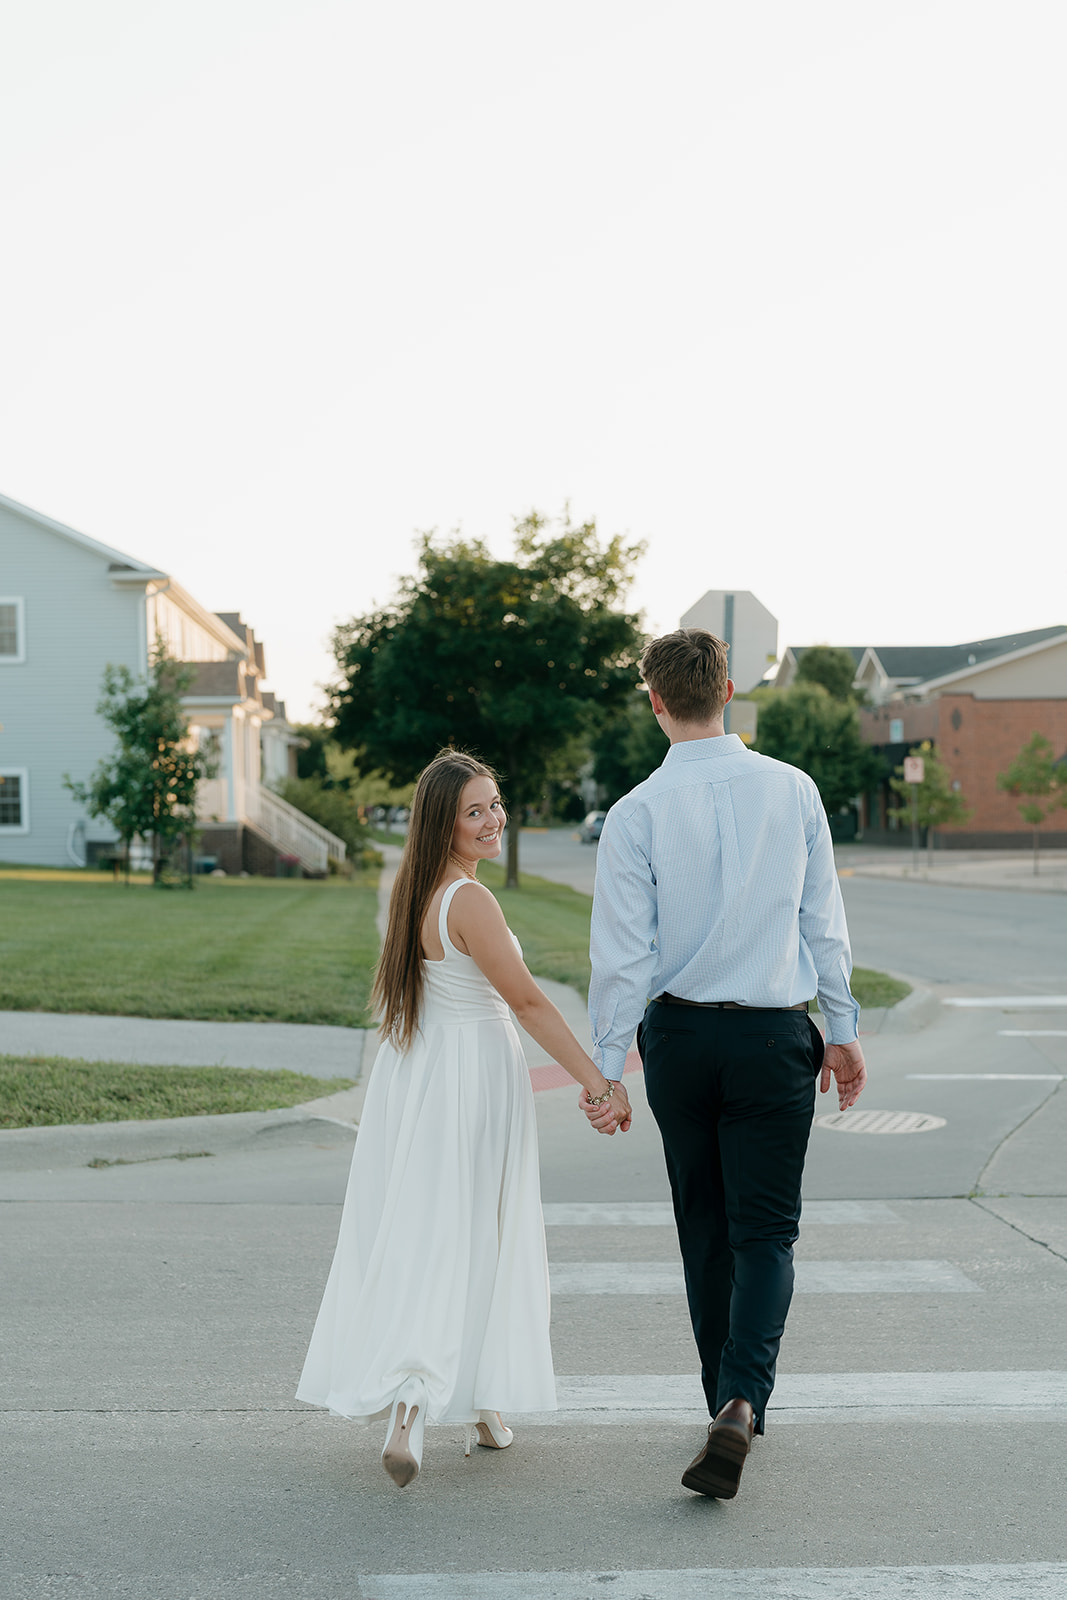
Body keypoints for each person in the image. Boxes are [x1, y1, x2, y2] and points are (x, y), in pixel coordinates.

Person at [582, 629, 866, 1500]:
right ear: (730, 691)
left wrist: (606, 1067)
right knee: (766, 1232)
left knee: (703, 1227)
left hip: (678, 1041)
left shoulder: (634, 813)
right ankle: (741, 1402)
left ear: (654, 699)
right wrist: (843, 1025)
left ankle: (723, 1403)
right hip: (775, 1037)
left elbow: (622, 956)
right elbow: (822, 919)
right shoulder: (794, 790)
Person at [297, 748, 631, 1487]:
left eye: (494, 804)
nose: (492, 820)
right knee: (475, 1228)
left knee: (433, 1226)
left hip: (419, 1072)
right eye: (473, 811)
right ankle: (414, 1401)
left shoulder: (418, 893)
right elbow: (528, 1003)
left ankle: (477, 1406)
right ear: (443, 824)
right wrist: (598, 1084)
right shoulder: (471, 902)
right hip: (470, 1076)